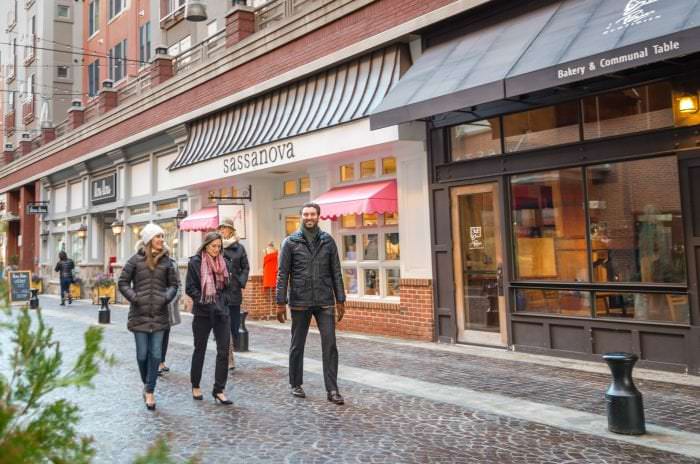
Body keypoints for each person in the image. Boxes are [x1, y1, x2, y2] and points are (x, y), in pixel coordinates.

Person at [276, 202, 346, 405]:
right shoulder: (290, 242)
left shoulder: (328, 241)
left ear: (318, 216)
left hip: (325, 301)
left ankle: (332, 389)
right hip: (300, 300)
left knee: (330, 344)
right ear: (301, 216)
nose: (309, 217)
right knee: (297, 344)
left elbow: (336, 272)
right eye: (306, 214)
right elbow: (282, 274)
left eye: (312, 214)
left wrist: (340, 299)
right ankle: (295, 383)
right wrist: (280, 302)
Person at [118, 224, 179, 411]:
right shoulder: (135, 260)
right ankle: (147, 382)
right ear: (148, 240)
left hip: (159, 316)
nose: (162, 239)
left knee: (156, 354)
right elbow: (122, 282)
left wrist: (165, 297)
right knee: (142, 355)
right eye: (158, 236)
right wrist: (135, 297)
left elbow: (174, 284)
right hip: (139, 315)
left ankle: (150, 390)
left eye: (162, 236)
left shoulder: (167, 262)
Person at [186, 231, 234, 405]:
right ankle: (196, 385)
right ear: (206, 245)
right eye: (214, 246)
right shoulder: (195, 263)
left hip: (222, 313)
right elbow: (190, 289)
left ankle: (219, 390)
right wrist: (206, 302)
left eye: (219, 247)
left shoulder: (225, 262)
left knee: (223, 351)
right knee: (200, 349)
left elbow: (230, 287)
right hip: (203, 313)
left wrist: (224, 302)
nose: (216, 249)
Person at [217, 218, 249, 371]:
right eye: (221, 228)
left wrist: (240, 282)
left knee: (235, 327)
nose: (222, 230)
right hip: (221, 292)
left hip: (235, 292)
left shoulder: (239, 248)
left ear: (231, 230)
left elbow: (245, 267)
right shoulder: (216, 247)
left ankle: (229, 348)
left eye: (225, 228)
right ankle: (228, 357)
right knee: (225, 325)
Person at [159, 248, 181, 376]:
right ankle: (155, 362)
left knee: (165, 334)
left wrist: (174, 299)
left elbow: (178, 284)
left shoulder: (173, 263)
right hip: (156, 305)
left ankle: (161, 361)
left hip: (169, 305)